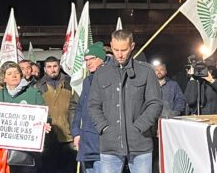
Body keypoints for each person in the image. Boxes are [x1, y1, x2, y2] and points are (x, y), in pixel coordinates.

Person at [88, 30, 163, 173]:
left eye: (124, 49)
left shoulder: (146, 71)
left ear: (132, 46)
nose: (120, 54)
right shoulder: (101, 73)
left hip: (140, 143)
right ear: (111, 46)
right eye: (116, 50)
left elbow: (155, 103)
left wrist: (140, 127)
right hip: (110, 144)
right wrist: (104, 127)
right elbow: (93, 105)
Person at [0, 61, 50, 173]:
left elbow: (45, 116)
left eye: (16, 72)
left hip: (27, 153)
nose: (14, 76)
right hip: (2, 152)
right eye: (9, 74)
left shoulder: (33, 93)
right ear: (3, 78)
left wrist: (44, 124)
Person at [35, 56, 77, 173]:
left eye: (55, 66)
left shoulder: (71, 83)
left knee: (69, 168)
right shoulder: (38, 86)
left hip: (68, 135)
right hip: (47, 137)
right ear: (44, 69)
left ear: (59, 66)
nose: (52, 69)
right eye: (49, 67)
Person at [71, 41, 106, 173]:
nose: (88, 63)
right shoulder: (87, 80)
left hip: (102, 144)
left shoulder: (112, 78)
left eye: (92, 58)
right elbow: (80, 108)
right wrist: (75, 132)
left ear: (101, 58)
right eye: (86, 60)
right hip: (86, 143)